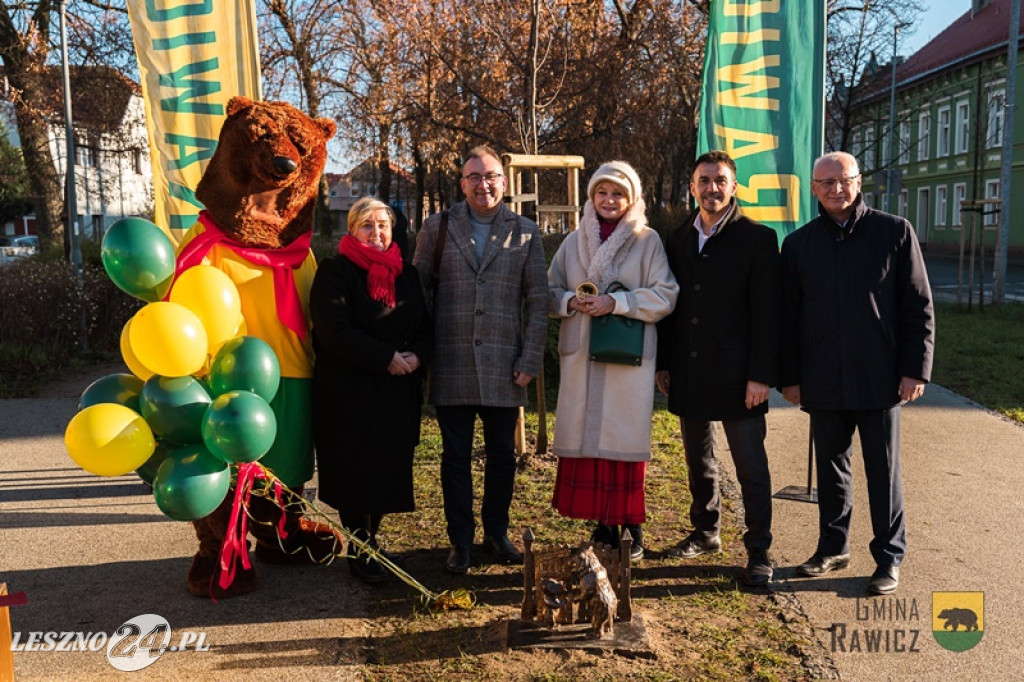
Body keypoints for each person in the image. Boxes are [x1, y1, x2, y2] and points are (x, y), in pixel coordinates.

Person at [779, 151, 934, 596]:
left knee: (883, 472)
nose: (835, 189)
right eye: (826, 183)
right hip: (822, 376)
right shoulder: (799, 245)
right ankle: (833, 547)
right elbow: (787, 318)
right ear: (814, 189)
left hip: (880, 377)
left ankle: (888, 557)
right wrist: (790, 376)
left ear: (858, 182)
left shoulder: (894, 232)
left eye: (843, 180)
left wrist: (915, 370)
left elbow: (918, 306)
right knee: (831, 470)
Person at [412, 145, 548, 574]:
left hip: (505, 365)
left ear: (503, 182)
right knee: (454, 457)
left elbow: (538, 300)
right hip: (451, 360)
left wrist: (531, 357)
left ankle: (496, 533)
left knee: (502, 457)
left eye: (490, 176)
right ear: (462, 183)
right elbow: (417, 293)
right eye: (474, 177)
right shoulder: (437, 227)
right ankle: (460, 541)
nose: (482, 184)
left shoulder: (525, 230)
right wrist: (422, 352)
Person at [655, 151, 781, 587]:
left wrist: (761, 375)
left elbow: (768, 314)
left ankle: (759, 549)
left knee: (750, 467)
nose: (712, 188)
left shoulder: (758, 239)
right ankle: (706, 531)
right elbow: (670, 305)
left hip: (740, 375)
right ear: (692, 187)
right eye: (704, 180)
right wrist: (665, 362)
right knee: (699, 459)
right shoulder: (677, 238)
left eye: (720, 180)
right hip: (689, 369)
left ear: (734, 186)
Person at [548, 160, 678, 561]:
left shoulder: (647, 240)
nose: (609, 200)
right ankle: (603, 525)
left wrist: (616, 302)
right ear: (591, 197)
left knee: (622, 441)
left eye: (618, 193)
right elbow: (547, 290)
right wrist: (570, 301)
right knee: (589, 440)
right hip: (582, 356)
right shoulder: (573, 241)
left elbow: (666, 294)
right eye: (602, 192)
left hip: (627, 357)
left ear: (631, 198)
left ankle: (631, 525)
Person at [310, 197, 432, 583]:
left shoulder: (406, 273)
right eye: (367, 224)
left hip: (397, 391)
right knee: (355, 471)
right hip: (350, 390)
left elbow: (425, 326)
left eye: (383, 225)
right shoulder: (336, 271)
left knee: (386, 469)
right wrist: (386, 357)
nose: (376, 232)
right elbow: (333, 331)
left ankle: (371, 540)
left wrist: (418, 356)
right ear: (352, 229)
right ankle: (360, 547)